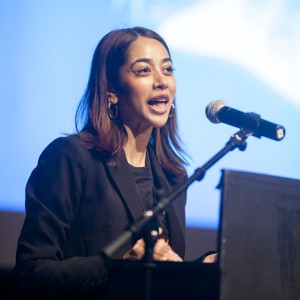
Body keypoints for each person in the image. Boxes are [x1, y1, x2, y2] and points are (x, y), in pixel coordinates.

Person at [12, 26, 217, 299]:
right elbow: (30, 274)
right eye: (144, 70)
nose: (161, 81)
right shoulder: (71, 157)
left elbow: (155, 280)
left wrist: (202, 269)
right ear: (111, 90)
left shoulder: (174, 176)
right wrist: (116, 266)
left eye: (167, 69)